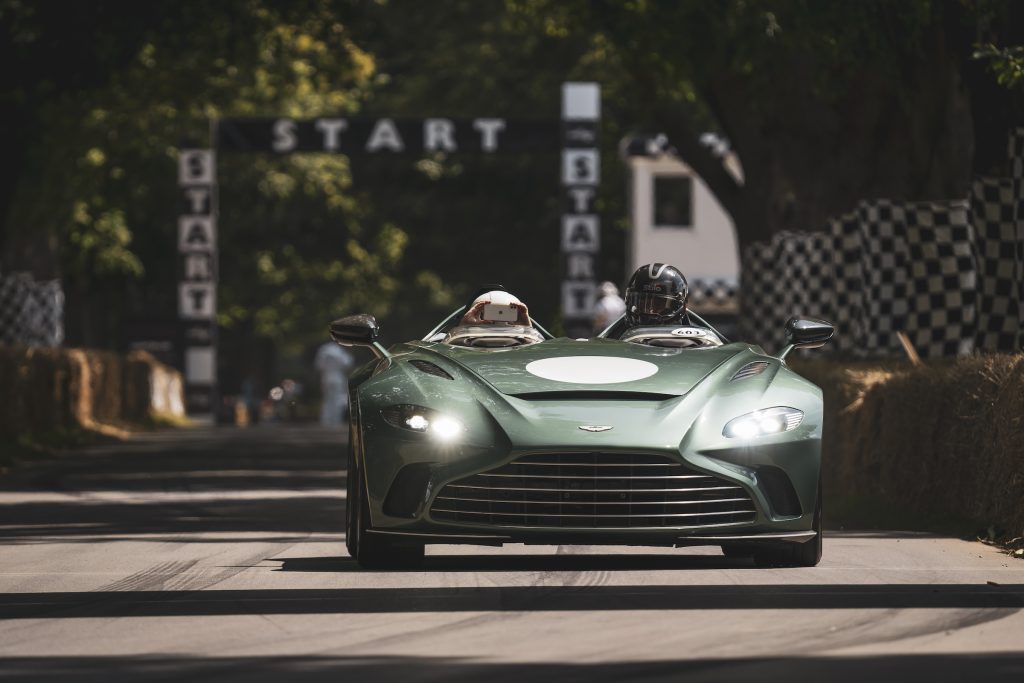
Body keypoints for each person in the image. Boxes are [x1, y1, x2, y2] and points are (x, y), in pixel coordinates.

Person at [624, 263, 690, 328]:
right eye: (643, 303)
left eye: (658, 305)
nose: (650, 311)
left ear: (677, 306)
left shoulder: (695, 336)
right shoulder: (617, 333)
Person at [315, 340, 355, 426]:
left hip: (326, 377)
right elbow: (347, 363)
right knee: (337, 399)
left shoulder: (324, 349)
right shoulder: (340, 350)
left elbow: (319, 365)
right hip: (337, 377)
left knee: (327, 399)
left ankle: (325, 420)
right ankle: (335, 421)